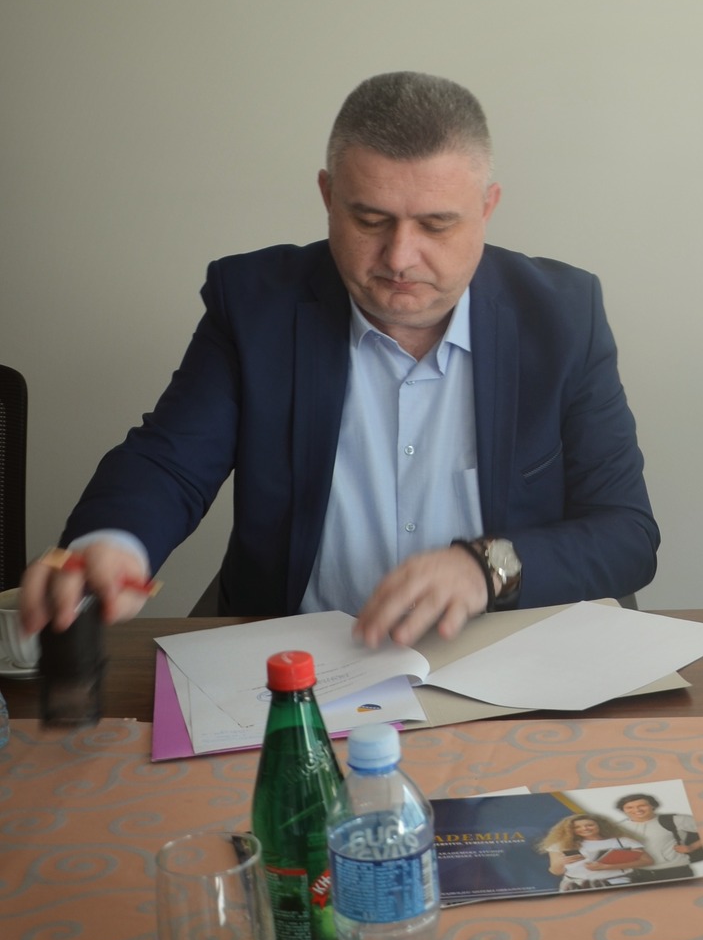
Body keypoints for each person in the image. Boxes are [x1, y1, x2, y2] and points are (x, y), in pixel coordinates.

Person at [20, 72, 659, 647]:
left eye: (436, 225)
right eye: (370, 220)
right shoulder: (256, 307)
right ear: (328, 196)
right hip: (297, 667)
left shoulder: (562, 318)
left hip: (505, 662)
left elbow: (626, 533)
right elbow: (169, 464)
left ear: (486, 208)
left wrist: (486, 567)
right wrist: (113, 543)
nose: (400, 257)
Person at [539, 813, 650, 890]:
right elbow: (556, 872)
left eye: (589, 825)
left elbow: (647, 861)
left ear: (600, 826)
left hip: (617, 882)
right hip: (575, 886)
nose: (585, 828)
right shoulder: (560, 845)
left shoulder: (622, 841)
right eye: (577, 827)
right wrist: (562, 862)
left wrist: (606, 867)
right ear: (570, 830)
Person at [613, 792, 703, 883]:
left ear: (652, 806)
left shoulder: (675, 820)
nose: (637, 810)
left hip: (675, 872)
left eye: (642, 805)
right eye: (629, 807)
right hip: (639, 875)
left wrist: (692, 847)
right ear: (623, 810)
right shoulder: (620, 827)